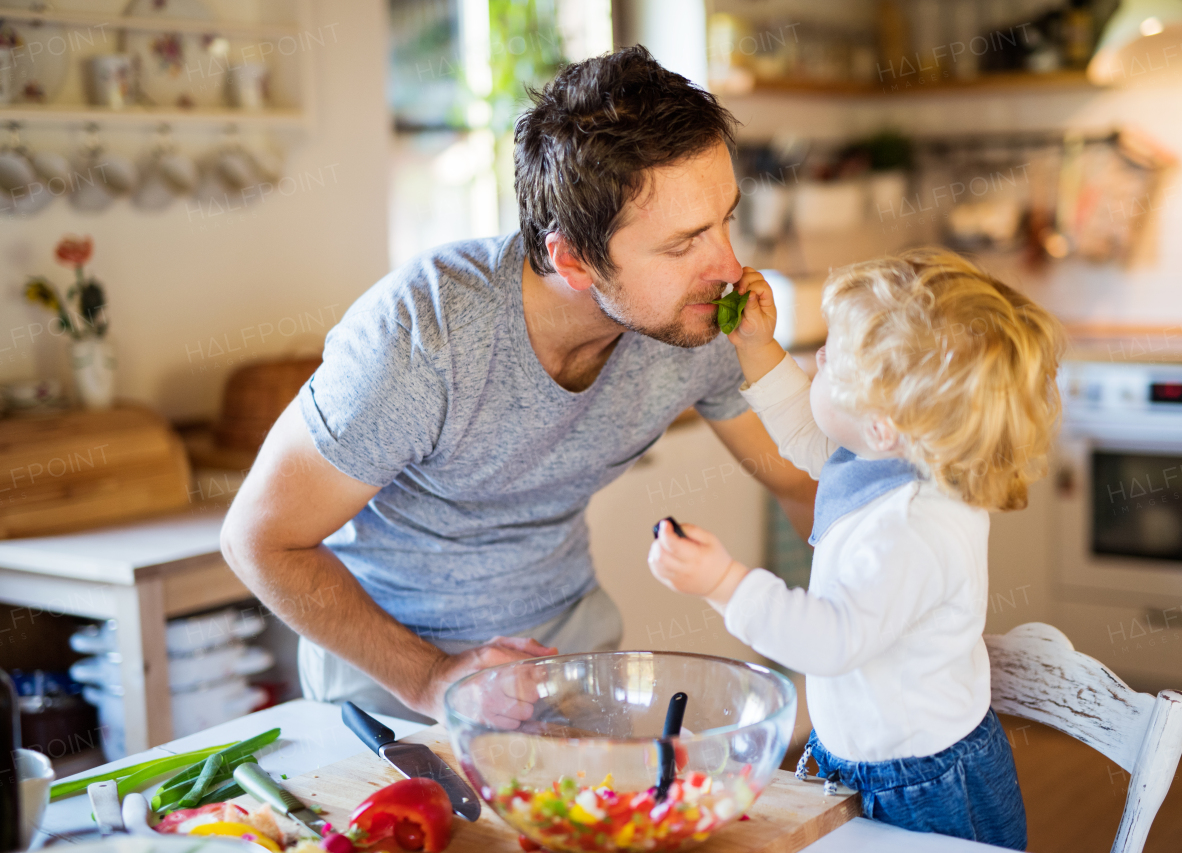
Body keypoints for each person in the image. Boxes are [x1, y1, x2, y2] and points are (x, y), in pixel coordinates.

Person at [219, 46, 818, 726]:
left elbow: (802, 481)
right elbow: (258, 540)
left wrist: (862, 626)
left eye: (725, 221)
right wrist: (432, 680)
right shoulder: (423, 336)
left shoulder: (696, 318)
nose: (728, 266)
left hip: (573, 662)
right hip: (391, 692)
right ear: (572, 258)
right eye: (683, 244)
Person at [646, 249, 1065, 849]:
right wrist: (757, 346)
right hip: (864, 757)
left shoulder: (915, 528)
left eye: (834, 361)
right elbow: (807, 430)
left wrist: (724, 584)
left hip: (922, 785)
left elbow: (831, 641)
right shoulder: (886, 461)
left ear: (881, 426)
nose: (817, 360)